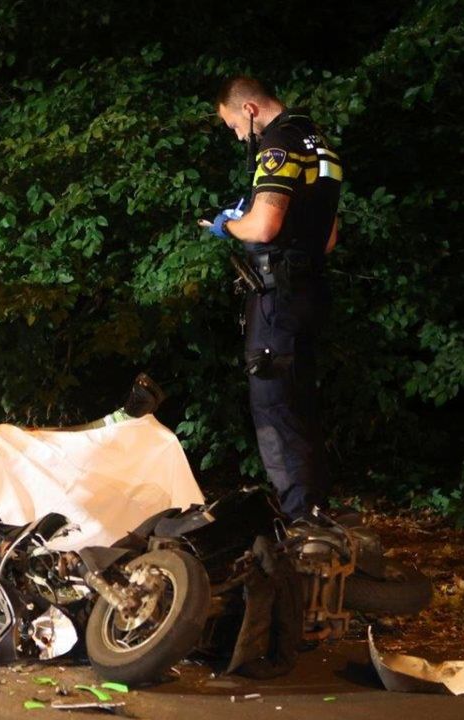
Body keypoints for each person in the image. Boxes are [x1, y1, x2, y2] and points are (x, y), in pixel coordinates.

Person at [199, 76, 343, 519]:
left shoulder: (277, 144)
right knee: (301, 404)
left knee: (274, 408)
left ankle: (302, 525)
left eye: (233, 126)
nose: (238, 136)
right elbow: (329, 237)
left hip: (277, 298)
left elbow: (263, 227)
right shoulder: (320, 143)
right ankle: (316, 511)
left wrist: (225, 224)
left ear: (249, 109)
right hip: (311, 291)